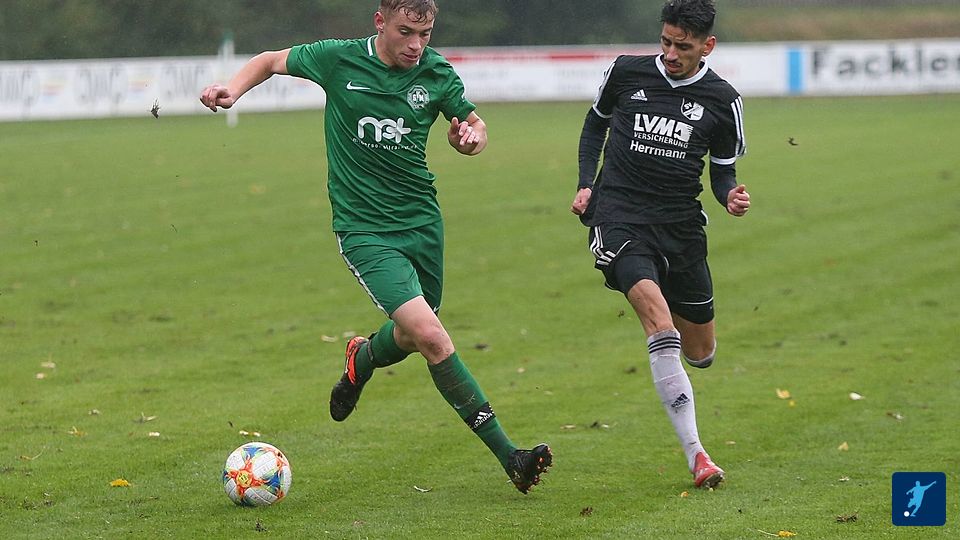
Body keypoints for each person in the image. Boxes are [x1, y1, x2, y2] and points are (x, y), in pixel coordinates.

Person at [199, 0, 551, 494]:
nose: (416, 45)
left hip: (422, 224)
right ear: (380, 22)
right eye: (406, 32)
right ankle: (511, 456)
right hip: (365, 230)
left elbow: (475, 125)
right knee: (432, 337)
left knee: (411, 335)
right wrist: (232, 89)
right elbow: (270, 60)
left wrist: (471, 138)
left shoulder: (435, 72)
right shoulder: (338, 59)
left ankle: (360, 361)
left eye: (425, 34)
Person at [570, 0, 750, 489]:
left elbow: (723, 171)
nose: (670, 53)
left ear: (707, 46)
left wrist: (730, 196)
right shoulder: (626, 73)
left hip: (681, 229)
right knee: (659, 323)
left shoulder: (723, 100)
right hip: (618, 217)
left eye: (682, 46)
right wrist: (586, 182)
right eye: (666, 42)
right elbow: (595, 124)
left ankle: (664, 291)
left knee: (701, 352)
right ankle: (698, 456)